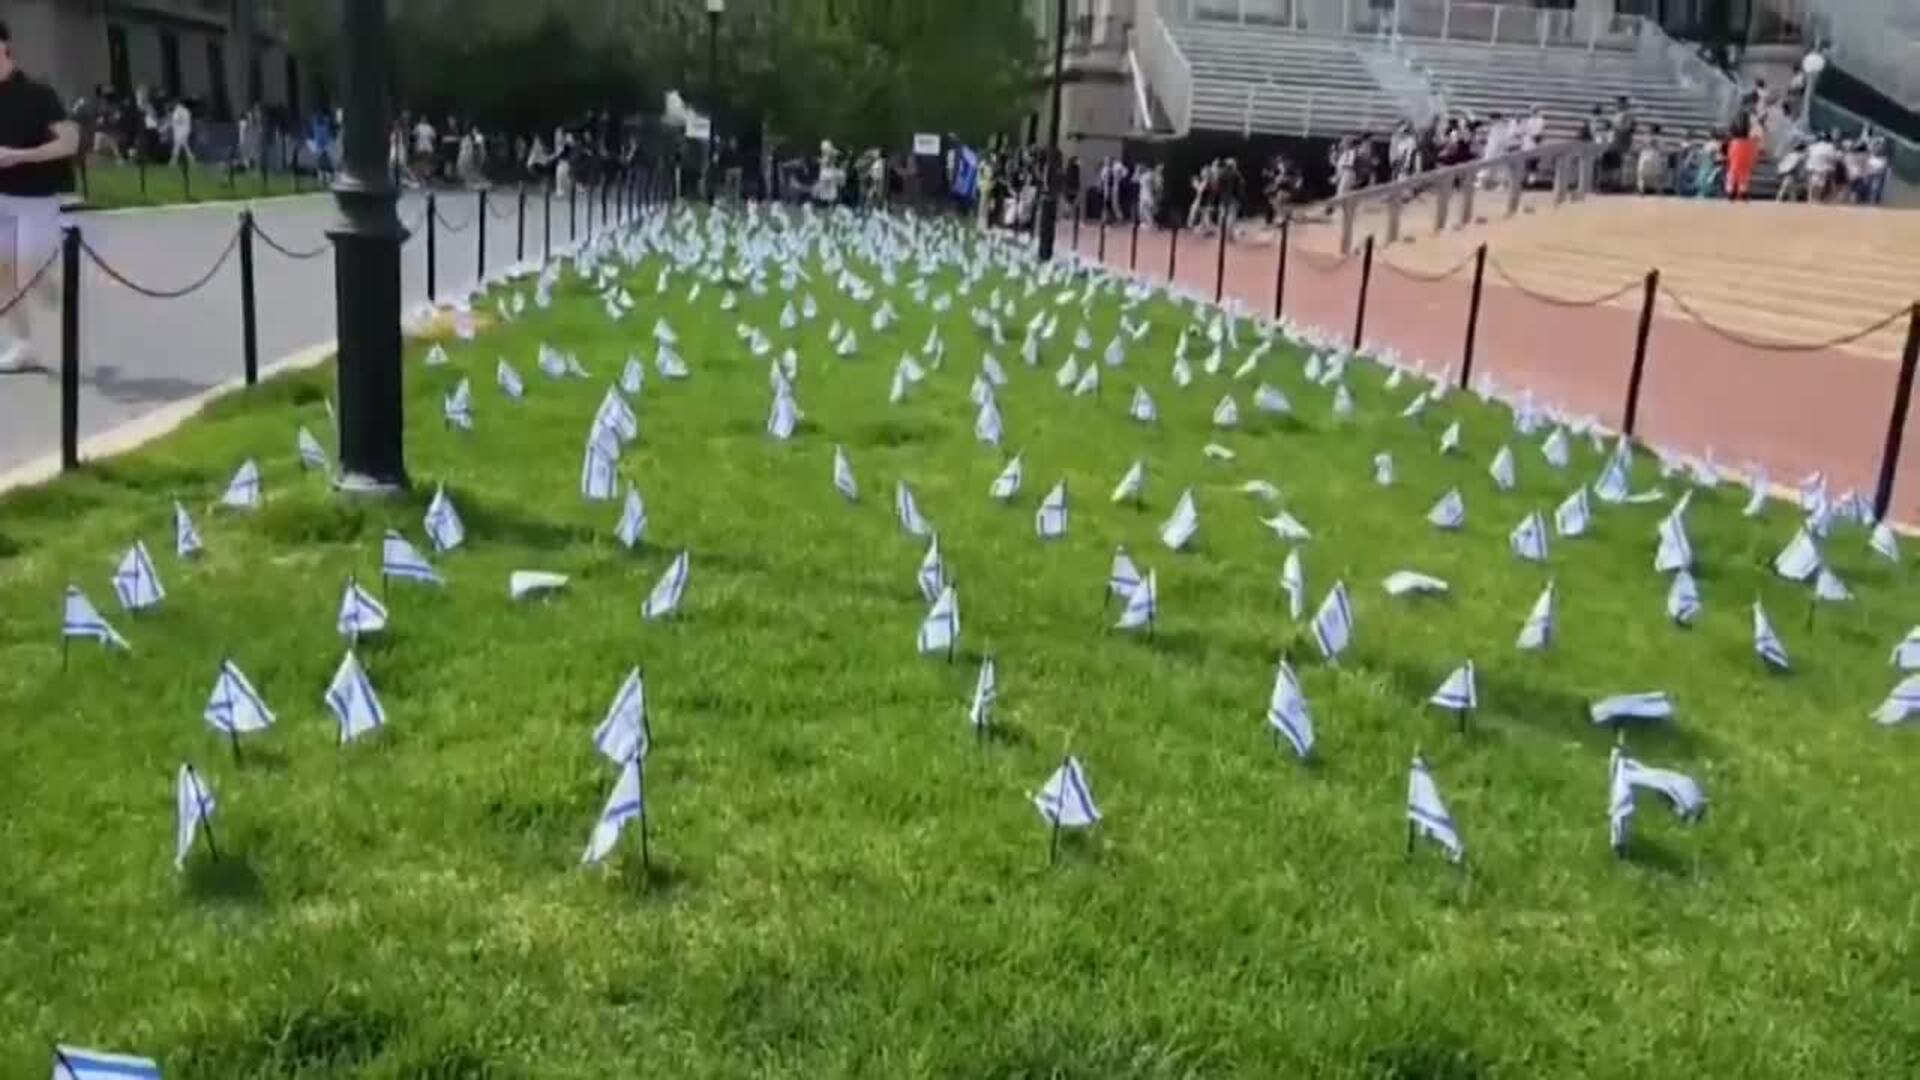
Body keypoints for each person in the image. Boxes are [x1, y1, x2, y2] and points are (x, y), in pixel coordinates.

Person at [0, 18, 79, 372]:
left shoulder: (39, 95)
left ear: (4, 48)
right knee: (3, 271)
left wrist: (20, 155)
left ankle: (49, 285)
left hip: (38, 198)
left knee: (27, 272)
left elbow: (70, 142)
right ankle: (22, 345)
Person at [168, 97, 194, 165]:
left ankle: (173, 161)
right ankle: (191, 159)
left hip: (180, 131)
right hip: (185, 130)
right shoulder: (186, 111)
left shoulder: (177, 111)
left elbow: (177, 120)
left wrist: (171, 119)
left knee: (178, 145)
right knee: (183, 145)